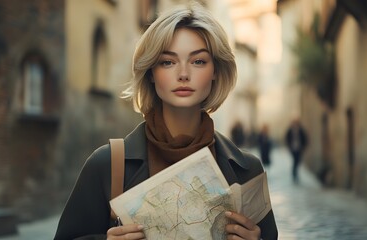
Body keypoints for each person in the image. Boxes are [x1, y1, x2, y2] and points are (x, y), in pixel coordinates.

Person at [54, 3, 278, 240]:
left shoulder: (247, 170)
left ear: (216, 70)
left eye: (198, 61)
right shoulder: (106, 165)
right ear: (151, 71)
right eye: (168, 62)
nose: (183, 73)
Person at [285, 118, 308, 183]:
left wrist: (304, 146)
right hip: (293, 149)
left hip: (299, 148)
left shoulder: (301, 130)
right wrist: (289, 146)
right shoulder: (290, 130)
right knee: (295, 161)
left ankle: (295, 173)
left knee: (298, 161)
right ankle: (294, 174)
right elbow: (287, 138)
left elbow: (305, 138)